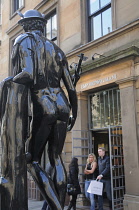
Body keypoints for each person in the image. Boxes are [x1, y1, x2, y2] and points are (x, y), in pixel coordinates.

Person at [11, 9, 78, 210]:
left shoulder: (23, 40)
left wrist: (8, 81)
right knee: (56, 158)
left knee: (30, 160)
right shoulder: (57, 50)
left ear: (25, 25)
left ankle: (56, 207)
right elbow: (72, 88)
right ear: (42, 26)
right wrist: (74, 112)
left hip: (43, 105)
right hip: (63, 105)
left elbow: (27, 73)